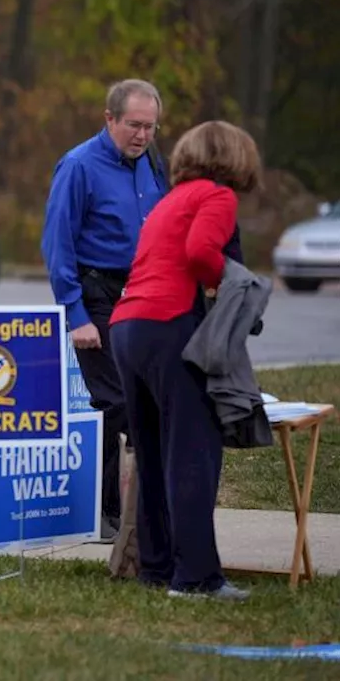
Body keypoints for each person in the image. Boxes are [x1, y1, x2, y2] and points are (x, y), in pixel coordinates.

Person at [109, 121, 262, 601]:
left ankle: (156, 568)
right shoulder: (216, 196)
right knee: (192, 453)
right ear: (234, 157)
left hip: (127, 326)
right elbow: (200, 254)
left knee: (152, 452)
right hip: (170, 323)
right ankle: (196, 578)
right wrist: (227, 284)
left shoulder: (167, 200)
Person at [40, 79, 168, 540]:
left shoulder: (153, 164)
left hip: (145, 296)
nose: (142, 135)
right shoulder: (77, 166)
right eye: (133, 125)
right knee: (116, 405)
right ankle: (106, 512)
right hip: (96, 296)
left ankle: (140, 510)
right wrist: (76, 316)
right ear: (109, 118)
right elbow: (57, 245)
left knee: (147, 402)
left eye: (150, 127)